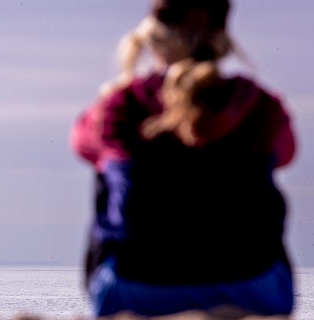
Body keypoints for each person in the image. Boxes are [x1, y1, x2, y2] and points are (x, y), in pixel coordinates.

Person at [70, 0, 297, 317]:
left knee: (107, 171)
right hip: (251, 282)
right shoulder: (258, 103)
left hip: (137, 284)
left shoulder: (121, 104)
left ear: (151, 39)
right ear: (222, 41)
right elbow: (285, 153)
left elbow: (82, 145)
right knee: (263, 173)